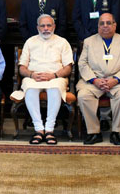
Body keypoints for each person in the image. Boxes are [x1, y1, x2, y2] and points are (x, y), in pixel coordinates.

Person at [13, 14, 73, 145]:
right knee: (30, 89)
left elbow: (68, 68)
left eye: (49, 25)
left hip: (56, 77)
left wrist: (54, 75)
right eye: (42, 25)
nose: (46, 28)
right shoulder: (30, 41)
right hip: (34, 77)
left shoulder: (63, 42)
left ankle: (49, 130)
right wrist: (31, 74)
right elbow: (22, 67)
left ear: (54, 26)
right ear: (37, 27)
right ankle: (39, 129)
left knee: (54, 89)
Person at [77, 13, 120, 145]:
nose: (105, 26)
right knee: (83, 96)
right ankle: (94, 132)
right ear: (97, 26)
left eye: (108, 23)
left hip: (118, 81)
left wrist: (115, 79)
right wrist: (94, 80)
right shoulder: (88, 41)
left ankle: (116, 131)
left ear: (115, 25)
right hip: (94, 80)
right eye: (101, 23)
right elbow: (82, 64)